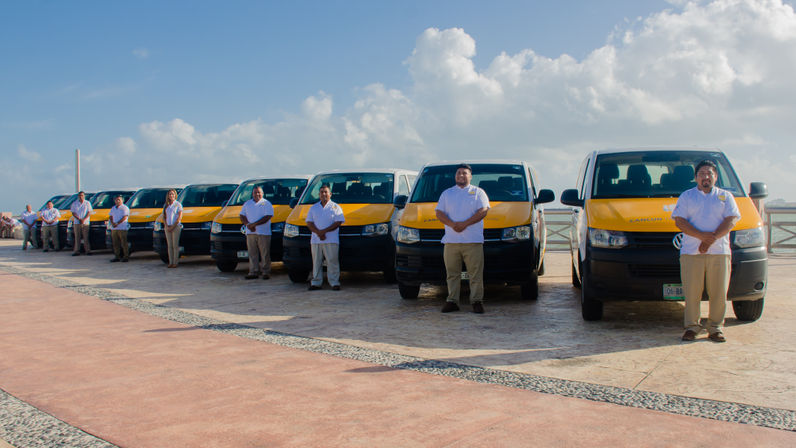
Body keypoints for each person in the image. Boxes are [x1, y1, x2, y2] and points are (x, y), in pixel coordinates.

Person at [673, 160, 741, 343]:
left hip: (719, 252)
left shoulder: (726, 197)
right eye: (702, 173)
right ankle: (692, 327)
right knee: (692, 292)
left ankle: (715, 327)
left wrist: (711, 239)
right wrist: (702, 237)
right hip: (691, 253)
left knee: (718, 292)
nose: (706, 177)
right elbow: (680, 221)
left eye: (710, 173)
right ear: (696, 177)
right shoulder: (687, 197)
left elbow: (731, 221)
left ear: (715, 177)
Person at [435, 163, 490, 314]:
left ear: (470, 176)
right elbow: (439, 213)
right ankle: (452, 301)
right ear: (455, 176)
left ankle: (477, 301)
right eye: (458, 173)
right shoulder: (447, 193)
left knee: (475, 275)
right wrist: (453, 225)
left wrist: (464, 224)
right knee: (452, 274)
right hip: (451, 242)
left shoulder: (478, 192)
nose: (461, 175)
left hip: (472, 241)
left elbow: (483, 211)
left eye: (464, 173)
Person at [306, 184, 345, 291]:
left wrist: (324, 231)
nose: (323, 194)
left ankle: (334, 282)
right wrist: (318, 233)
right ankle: (316, 283)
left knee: (332, 261)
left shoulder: (336, 207)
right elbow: (309, 223)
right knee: (317, 262)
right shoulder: (314, 207)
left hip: (331, 239)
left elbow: (338, 222)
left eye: (326, 192)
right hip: (316, 240)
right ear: (318, 194)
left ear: (330, 194)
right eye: (321, 192)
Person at [239, 186, 274, 280]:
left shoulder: (266, 203)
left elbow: (268, 216)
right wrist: (248, 225)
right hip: (250, 233)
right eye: (255, 192)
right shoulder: (247, 204)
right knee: (252, 253)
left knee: (265, 253)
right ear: (252, 193)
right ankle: (253, 271)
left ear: (262, 193)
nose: (257, 194)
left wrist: (254, 224)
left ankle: (266, 272)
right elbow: (242, 215)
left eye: (259, 192)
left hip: (264, 232)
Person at [163, 189, 183, 268]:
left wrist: (173, 226)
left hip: (176, 227)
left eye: (172, 194)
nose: (171, 196)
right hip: (167, 227)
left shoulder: (178, 205)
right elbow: (164, 217)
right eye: (170, 194)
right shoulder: (166, 205)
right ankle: (170, 262)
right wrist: (166, 226)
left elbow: (179, 217)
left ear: (175, 195)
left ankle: (175, 262)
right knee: (169, 245)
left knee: (175, 245)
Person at [108, 195, 131, 262]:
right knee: (115, 243)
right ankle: (117, 256)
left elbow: (125, 217)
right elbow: (111, 216)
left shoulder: (125, 208)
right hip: (114, 228)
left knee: (124, 243)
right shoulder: (113, 208)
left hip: (122, 227)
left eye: (119, 200)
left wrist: (117, 223)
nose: (117, 201)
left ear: (122, 200)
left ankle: (126, 256)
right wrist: (112, 223)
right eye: (116, 200)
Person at [70, 191, 93, 256]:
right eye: (80, 195)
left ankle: (87, 250)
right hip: (77, 222)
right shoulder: (74, 203)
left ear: (84, 196)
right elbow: (73, 213)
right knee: (77, 237)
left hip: (85, 223)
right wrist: (79, 219)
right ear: (78, 196)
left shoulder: (87, 203)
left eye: (82, 195)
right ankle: (77, 251)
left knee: (86, 237)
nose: (81, 197)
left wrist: (84, 219)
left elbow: (89, 212)